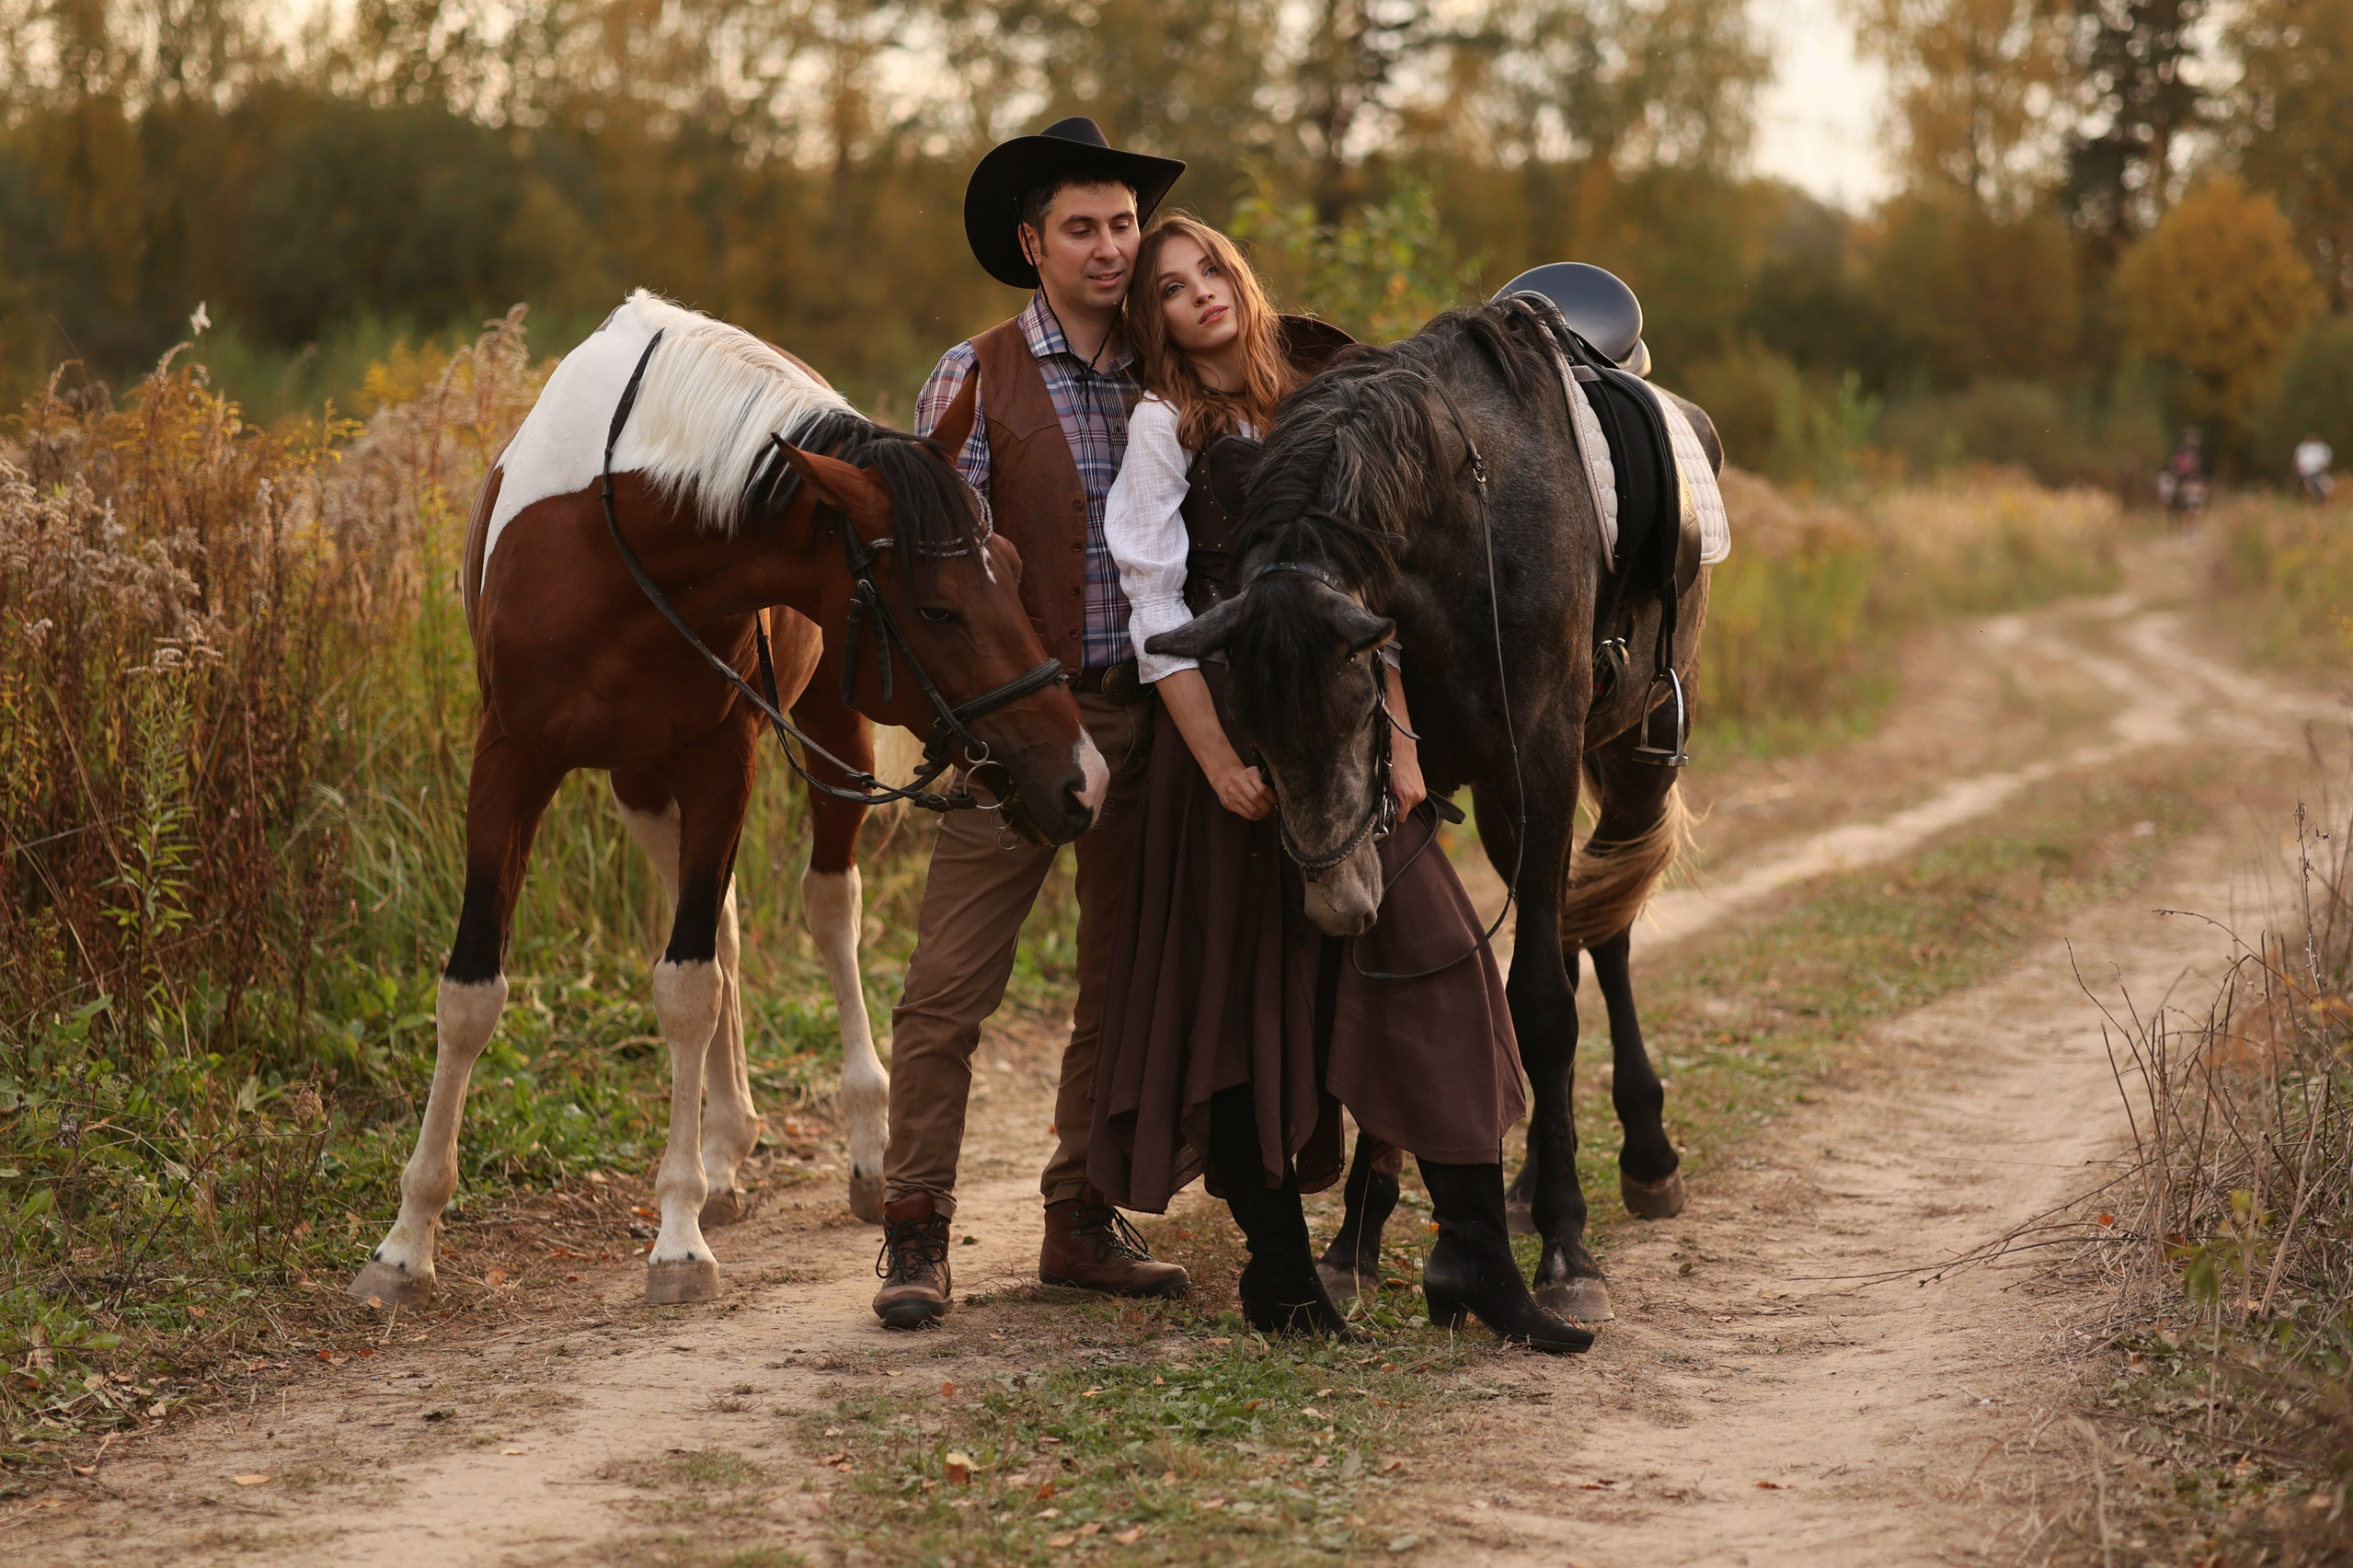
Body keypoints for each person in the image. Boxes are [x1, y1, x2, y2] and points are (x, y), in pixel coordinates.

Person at [1085, 214, 1591, 1354]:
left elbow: (1380, 594)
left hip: (1350, 725)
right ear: (1153, 323)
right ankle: (1277, 1270)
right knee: (1239, 1005)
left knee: (1439, 964)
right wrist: (1217, 760)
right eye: (1168, 289)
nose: (1199, 293)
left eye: (1208, 268)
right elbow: (1154, 608)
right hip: (1235, 730)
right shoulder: (1164, 425)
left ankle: (1475, 1256)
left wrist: (1402, 744)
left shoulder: (1329, 394)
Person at [870, 118, 1195, 1330]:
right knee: (947, 986)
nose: (1110, 248)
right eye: (1081, 228)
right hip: (1010, 727)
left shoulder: (1169, 370)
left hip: (1144, 713)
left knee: (1117, 982)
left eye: (1123, 225)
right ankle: (915, 1232)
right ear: (1031, 245)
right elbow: (937, 580)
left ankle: (1079, 1216)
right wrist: (963, 720)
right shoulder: (973, 374)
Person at [2295, 433, 2334, 503]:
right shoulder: (2302, 447)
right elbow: (2297, 458)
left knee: (2316, 484)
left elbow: (2327, 460)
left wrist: (2323, 469)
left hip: (2317, 470)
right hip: (2304, 471)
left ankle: (2321, 500)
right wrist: (2298, 468)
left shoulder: (2323, 448)